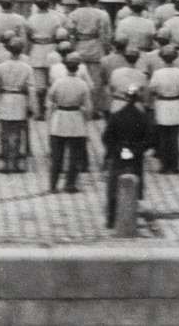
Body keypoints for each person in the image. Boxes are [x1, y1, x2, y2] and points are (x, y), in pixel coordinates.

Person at [101, 94, 157, 229]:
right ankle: (131, 218)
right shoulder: (143, 118)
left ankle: (111, 219)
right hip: (136, 156)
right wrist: (139, 150)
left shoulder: (116, 116)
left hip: (119, 155)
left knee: (114, 186)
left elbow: (106, 137)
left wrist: (116, 150)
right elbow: (151, 140)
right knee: (135, 186)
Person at [46, 55, 93, 192]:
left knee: (57, 156)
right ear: (78, 68)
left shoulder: (58, 82)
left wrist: (50, 114)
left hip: (59, 118)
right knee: (74, 156)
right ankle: (70, 184)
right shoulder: (82, 84)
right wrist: (87, 118)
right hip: (76, 119)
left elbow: (50, 99)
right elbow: (88, 107)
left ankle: (53, 185)